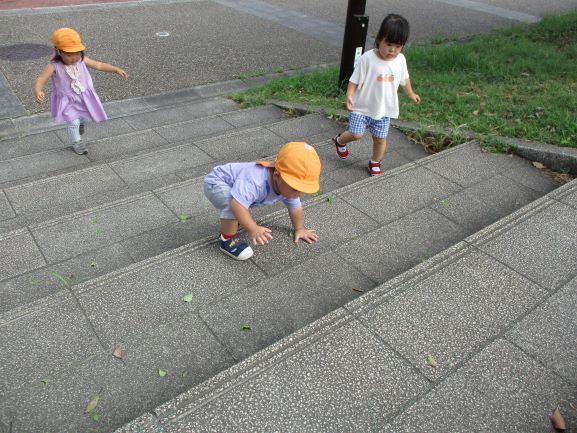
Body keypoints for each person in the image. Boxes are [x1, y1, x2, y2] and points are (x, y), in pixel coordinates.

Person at [333, 13, 421, 176]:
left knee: (380, 140)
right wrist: (349, 96)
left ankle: (374, 162)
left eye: (398, 46)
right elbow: (354, 80)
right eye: (389, 44)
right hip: (361, 107)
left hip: (383, 111)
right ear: (379, 39)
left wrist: (411, 93)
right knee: (356, 134)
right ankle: (339, 141)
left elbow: (405, 79)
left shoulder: (400, 60)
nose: (392, 50)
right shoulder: (368, 58)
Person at [204, 141, 321, 260]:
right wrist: (252, 228)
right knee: (233, 206)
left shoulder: (287, 187)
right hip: (216, 182)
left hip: (238, 185)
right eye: (295, 187)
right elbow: (236, 204)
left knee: (240, 204)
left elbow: (296, 208)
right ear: (276, 175)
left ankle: (238, 220)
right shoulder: (256, 182)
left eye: (303, 189)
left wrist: (299, 229)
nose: (298, 193)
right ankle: (227, 240)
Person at [34, 28, 128, 155]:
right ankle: (77, 142)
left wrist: (115, 69)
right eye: (69, 54)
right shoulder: (54, 66)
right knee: (73, 121)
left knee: (83, 117)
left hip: (83, 97)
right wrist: (38, 90)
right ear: (58, 51)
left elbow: (98, 65)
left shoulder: (81, 60)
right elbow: (41, 78)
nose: (74, 58)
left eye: (77, 53)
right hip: (67, 100)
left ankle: (80, 124)